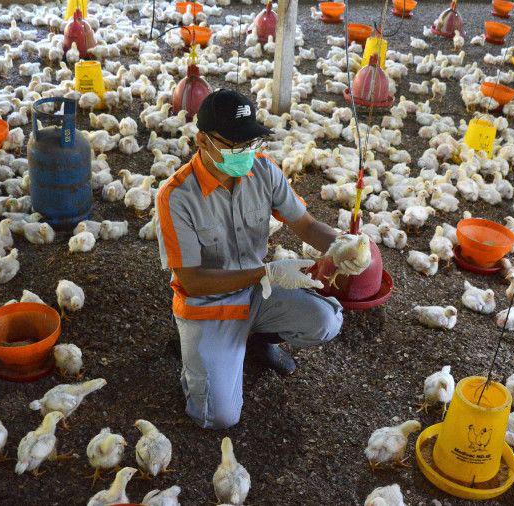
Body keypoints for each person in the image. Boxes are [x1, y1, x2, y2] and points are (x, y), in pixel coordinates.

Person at [155, 90, 368, 429]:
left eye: (250, 143)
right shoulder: (176, 197)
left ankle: (256, 338)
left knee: (325, 320)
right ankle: (197, 359)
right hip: (208, 303)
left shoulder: (263, 170)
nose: (245, 153)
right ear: (202, 141)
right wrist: (266, 272)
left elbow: (306, 224)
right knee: (219, 417)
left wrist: (341, 245)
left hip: (258, 291)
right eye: (233, 145)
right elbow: (193, 280)